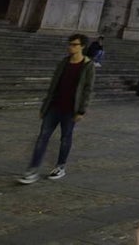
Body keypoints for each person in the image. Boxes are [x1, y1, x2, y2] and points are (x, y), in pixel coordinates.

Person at [18, 33, 96, 184]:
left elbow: (88, 90)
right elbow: (53, 85)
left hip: (70, 109)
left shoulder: (88, 65)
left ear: (82, 46)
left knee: (65, 138)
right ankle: (32, 170)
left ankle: (60, 166)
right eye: (70, 44)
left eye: (74, 44)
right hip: (54, 107)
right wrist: (45, 106)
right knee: (42, 137)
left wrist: (81, 110)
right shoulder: (64, 63)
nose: (70, 47)